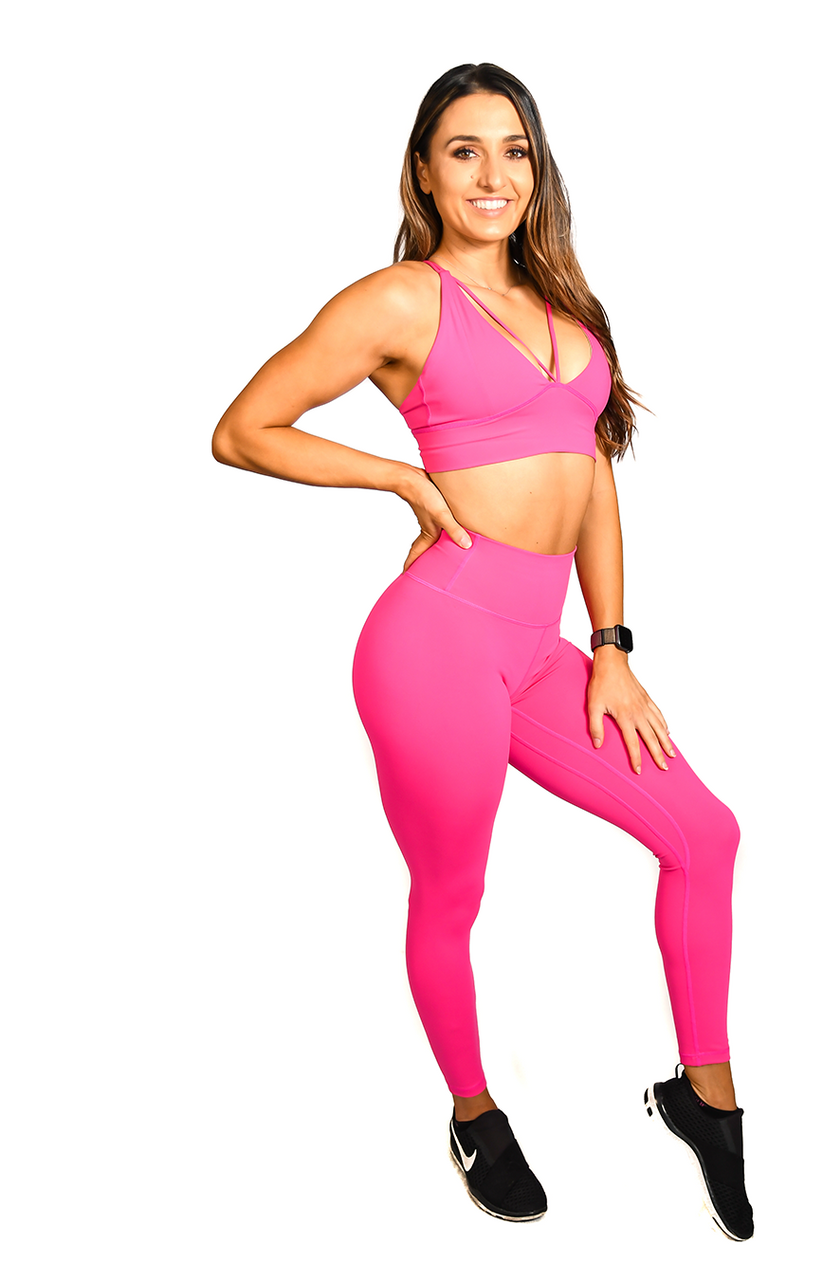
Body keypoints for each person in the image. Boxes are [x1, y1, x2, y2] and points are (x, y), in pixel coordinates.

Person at [211, 62, 754, 1240]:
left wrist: (611, 644)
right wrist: (400, 477)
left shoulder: (568, 315)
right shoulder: (400, 301)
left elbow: (592, 481)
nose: (492, 174)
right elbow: (243, 430)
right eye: (464, 150)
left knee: (703, 833)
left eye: (513, 150)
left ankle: (705, 1098)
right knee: (454, 891)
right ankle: (473, 1111)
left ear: (536, 169)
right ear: (423, 172)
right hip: (434, 642)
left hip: (544, 648)